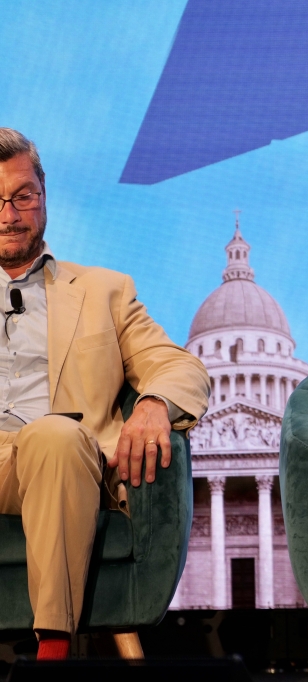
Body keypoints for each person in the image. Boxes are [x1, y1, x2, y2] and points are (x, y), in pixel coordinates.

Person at [0, 128, 210, 659]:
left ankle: (53, 651)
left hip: (59, 461)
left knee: (54, 436)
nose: (9, 215)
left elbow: (178, 365)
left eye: (23, 196)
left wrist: (153, 404)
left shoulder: (104, 291)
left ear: (44, 195)